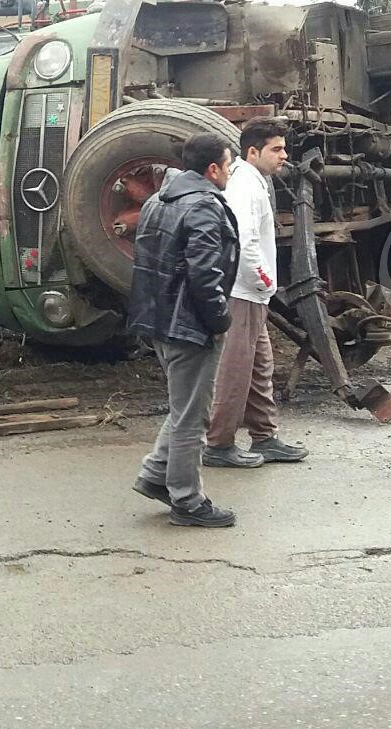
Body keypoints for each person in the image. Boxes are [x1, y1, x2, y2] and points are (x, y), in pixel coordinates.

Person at [129, 133, 241, 527]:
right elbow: (205, 276)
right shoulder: (204, 208)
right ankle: (188, 501)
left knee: (184, 407)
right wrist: (220, 320)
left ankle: (156, 475)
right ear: (212, 169)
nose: (230, 172)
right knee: (193, 417)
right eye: (229, 165)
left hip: (159, 320)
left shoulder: (159, 201)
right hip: (190, 325)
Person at [204, 116, 308, 467]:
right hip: (243, 293)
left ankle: (264, 437)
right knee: (236, 370)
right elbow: (244, 241)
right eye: (276, 149)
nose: (284, 156)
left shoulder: (255, 181)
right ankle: (218, 445)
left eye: (284, 148)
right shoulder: (245, 187)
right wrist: (265, 280)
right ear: (252, 151)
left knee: (260, 365)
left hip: (252, 293)